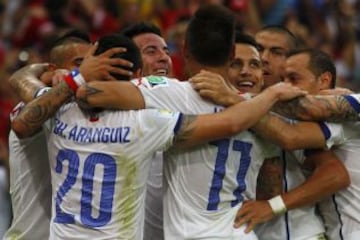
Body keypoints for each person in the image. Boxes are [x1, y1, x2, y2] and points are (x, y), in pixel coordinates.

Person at [10, 33, 306, 240]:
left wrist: (69, 77)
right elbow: (229, 123)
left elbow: (21, 94)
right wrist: (271, 93)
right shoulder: (147, 123)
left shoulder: (57, 109)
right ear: (136, 75)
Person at [236, 48, 359, 240]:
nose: (285, 87)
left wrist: (237, 100)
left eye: (293, 79)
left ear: (324, 81)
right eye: (282, 80)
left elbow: (291, 136)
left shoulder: (343, 119)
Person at [3, 29, 92, 240]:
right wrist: (48, 75)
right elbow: (21, 84)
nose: (86, 73)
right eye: (79, 64)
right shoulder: (29, 108)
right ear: (54, 69)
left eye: (90, 66)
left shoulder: (89, 112)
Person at [121, 22, 172, 239]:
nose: (164, 58)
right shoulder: (108, 113)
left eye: (166, 51)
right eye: (151, 51)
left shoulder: (187, 102)